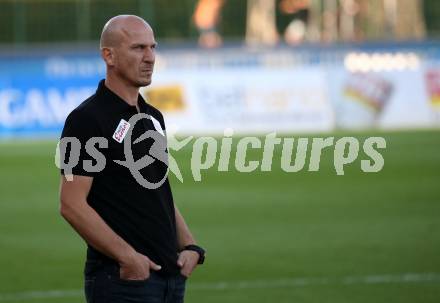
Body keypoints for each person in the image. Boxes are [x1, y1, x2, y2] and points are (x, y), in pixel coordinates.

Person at [59, 15, 205, 303]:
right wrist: (128, 258)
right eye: (138, 48)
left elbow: (157, 192)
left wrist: (189, 246)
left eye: (152, 47)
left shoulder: (153, 117)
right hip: (124, 281)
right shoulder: (86, 119)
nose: (150, 57)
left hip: (169, 279)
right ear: (109, 55)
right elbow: (71, 204)